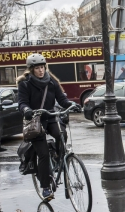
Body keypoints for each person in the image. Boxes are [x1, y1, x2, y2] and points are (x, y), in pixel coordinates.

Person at [17, 53, 79, 201]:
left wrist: (71, 104)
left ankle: (58, 157)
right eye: (37, 68)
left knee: (61, 134)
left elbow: (62, 99)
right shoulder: (25, 83)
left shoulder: (51, 81)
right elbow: (22, 102)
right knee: (43, 154)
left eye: (42, 67)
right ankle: (45, 187)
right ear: (31, 69)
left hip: (50, 116)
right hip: (35, 120)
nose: (41, 71)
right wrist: (26, 110)